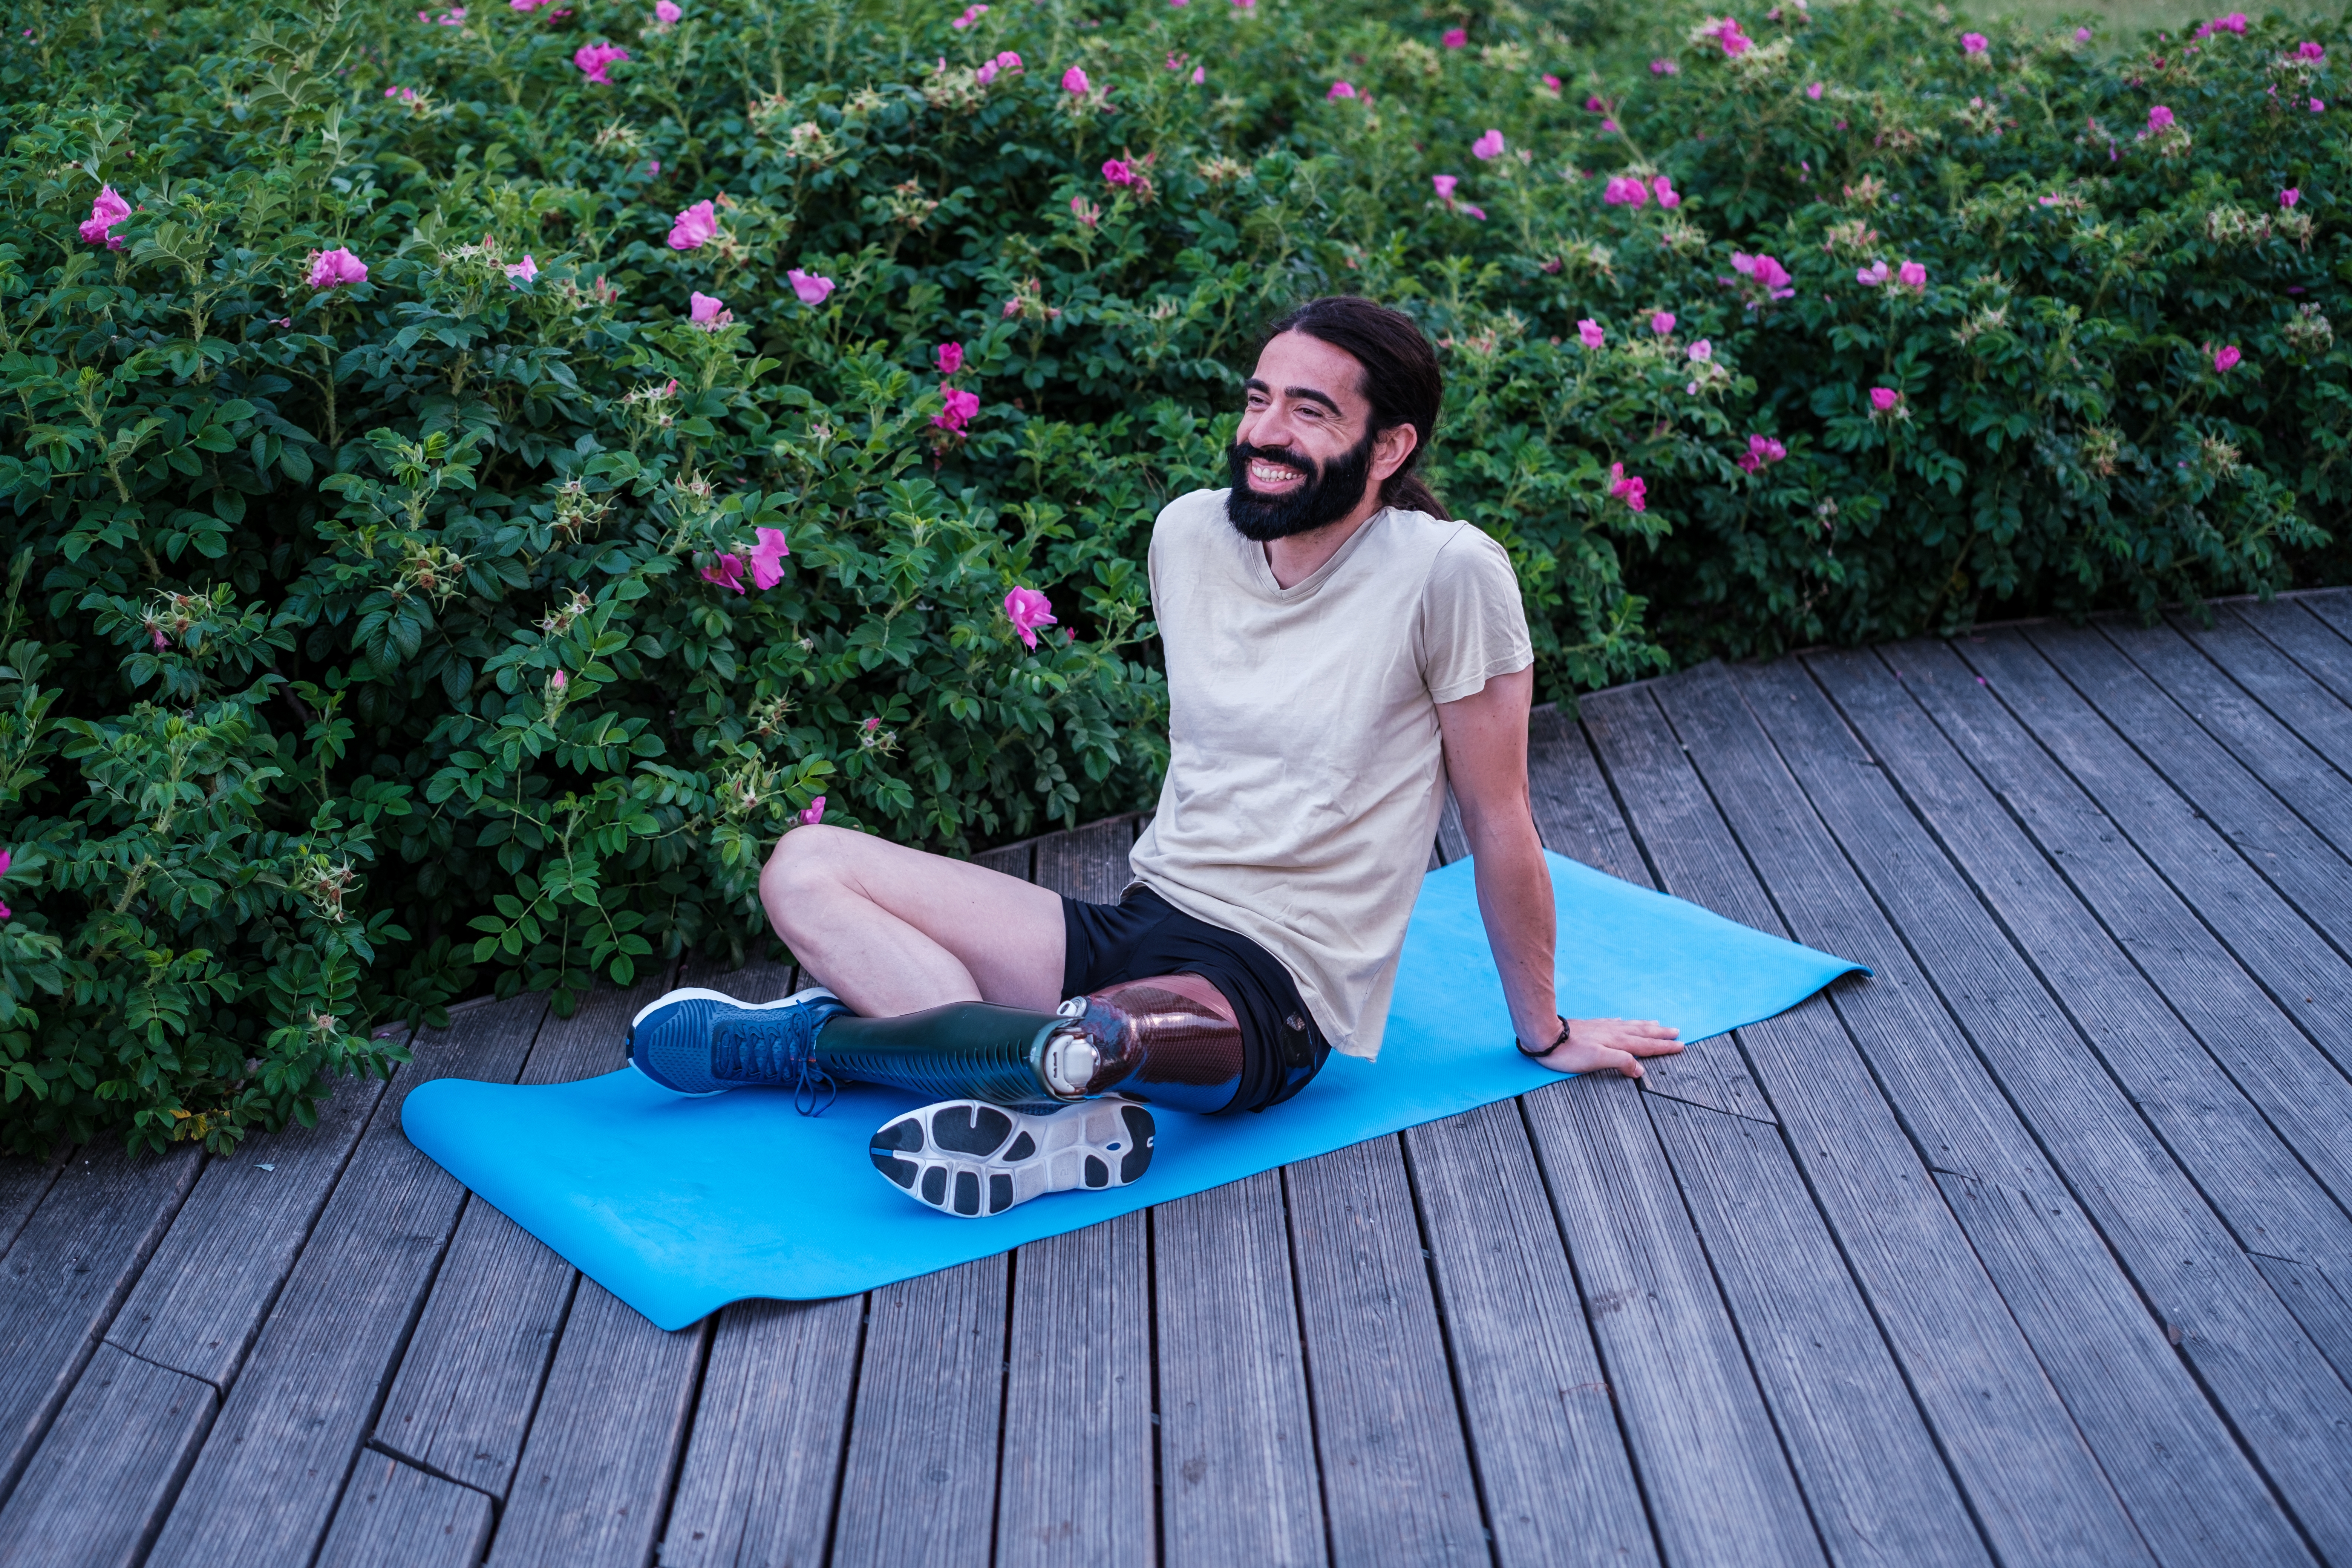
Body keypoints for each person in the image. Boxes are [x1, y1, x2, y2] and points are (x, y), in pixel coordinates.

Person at [624, 296, 1683, 1218]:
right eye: (1259, 397)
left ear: (1391, 447)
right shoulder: (1189, 534)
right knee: (804, 868)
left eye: (1310, 412)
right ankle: (1011, 1096)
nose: (1265, 431)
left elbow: (1501, 818)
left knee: (1106, 1035)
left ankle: (838, 1048)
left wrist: (1543, 1034)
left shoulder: (1450, 573)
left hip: (1277, 985)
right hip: (1141, 918)